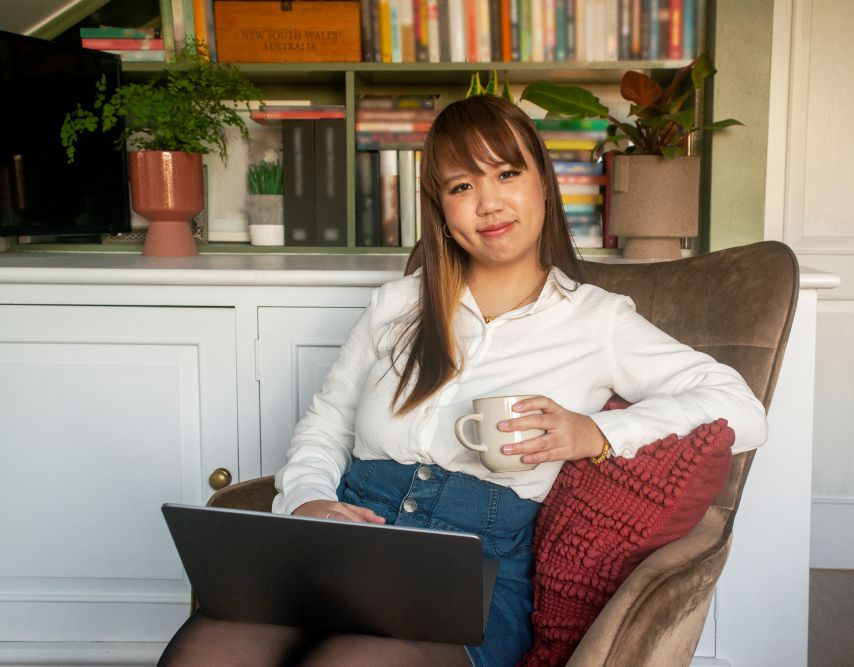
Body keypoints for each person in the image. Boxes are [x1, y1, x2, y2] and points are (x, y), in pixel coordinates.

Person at [158, 95, 768, 667]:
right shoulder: (397, 304)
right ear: (442, 211)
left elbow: (740, 406)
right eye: (462, 186)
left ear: (543, 184)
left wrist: (597, 433)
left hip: (478, 571)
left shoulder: (599, 321)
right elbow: (326, 424)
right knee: (213, 644)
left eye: (507, 174)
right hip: (350, 545)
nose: (489, 204)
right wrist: (308, 500)